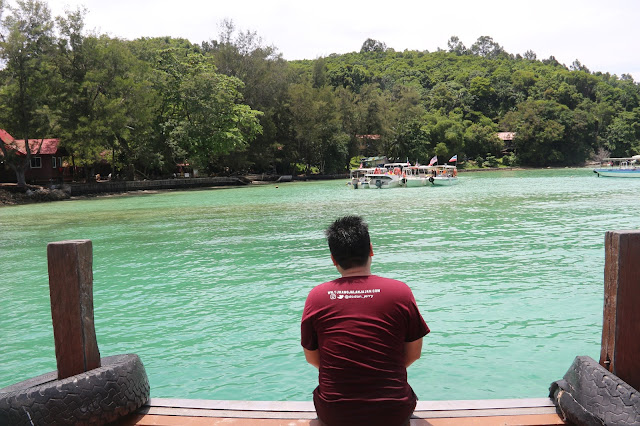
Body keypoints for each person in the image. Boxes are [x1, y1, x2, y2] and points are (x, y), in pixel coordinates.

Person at [301, 215, 429, 426]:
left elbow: (313, 360)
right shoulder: (400, 292)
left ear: (333, 259)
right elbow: (413, 354)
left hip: (334, 414)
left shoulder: (317, 297)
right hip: (393, 412)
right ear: (370, 249)